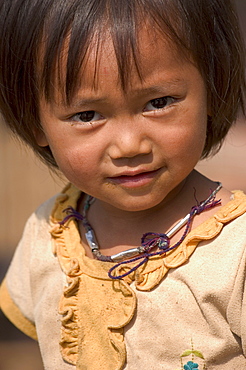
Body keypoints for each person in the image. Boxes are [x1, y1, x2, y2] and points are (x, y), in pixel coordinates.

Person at [0, 0, 245, 369]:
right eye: (87, 115)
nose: (130, 145)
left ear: (212, 87)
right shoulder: (49, 233)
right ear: (36, 122)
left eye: (158, 102)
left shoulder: (235, 252)